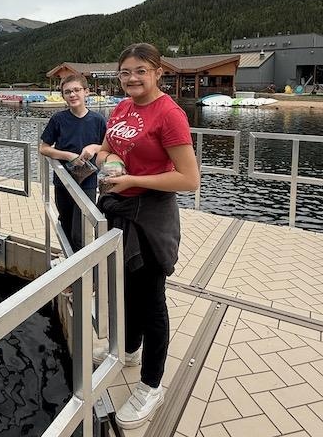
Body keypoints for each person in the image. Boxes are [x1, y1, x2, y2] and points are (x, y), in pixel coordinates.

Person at [94, 43, 199, 430]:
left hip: (152, 215)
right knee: (126, 288)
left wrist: (134, 179)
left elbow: (189, 178)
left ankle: (151, 385)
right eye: (125, 72)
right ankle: (129, 349)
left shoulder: (169, 114)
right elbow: (107, 148)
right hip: (121, 208)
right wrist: (106, 158)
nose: (132, 78)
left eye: (140, 70)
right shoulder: (122, 107)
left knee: (151, 300)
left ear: (158, 72)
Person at [40, 74, 106, 252]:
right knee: (66, 224)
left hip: (88, 182)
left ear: (87, 92)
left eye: (77, 90)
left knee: (81, 232)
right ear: (63, 95)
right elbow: (44, 148)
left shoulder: (98, 120)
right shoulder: (58, 119)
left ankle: (83, 264)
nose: (72, 94)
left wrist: (94, 147)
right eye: (67, 92)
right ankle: (70, 260)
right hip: (63, 181)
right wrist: (68, 155)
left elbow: (108, 147)